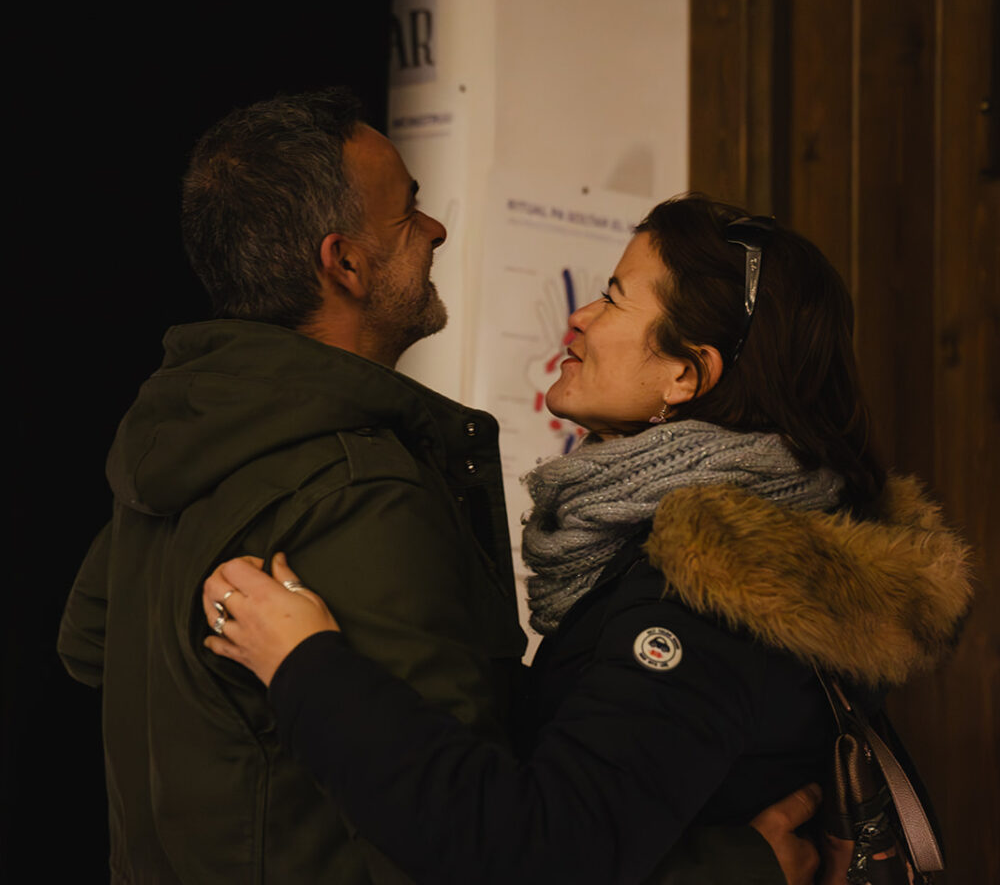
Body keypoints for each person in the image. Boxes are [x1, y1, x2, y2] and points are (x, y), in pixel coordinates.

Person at [58, 91, 817, 884]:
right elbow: (483, 849)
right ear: (345, 263)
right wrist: (735, 868)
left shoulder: (187, 436)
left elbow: (90, 647)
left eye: (614, 296)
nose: (436, 228)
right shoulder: (361, 490)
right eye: (409, 212)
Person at [203, 195, 973, 885]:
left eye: (613, 297)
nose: (580, 317)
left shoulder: (705, 598)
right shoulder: (739, 546)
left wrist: (307, 666)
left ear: (686, 375)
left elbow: (533, 852)